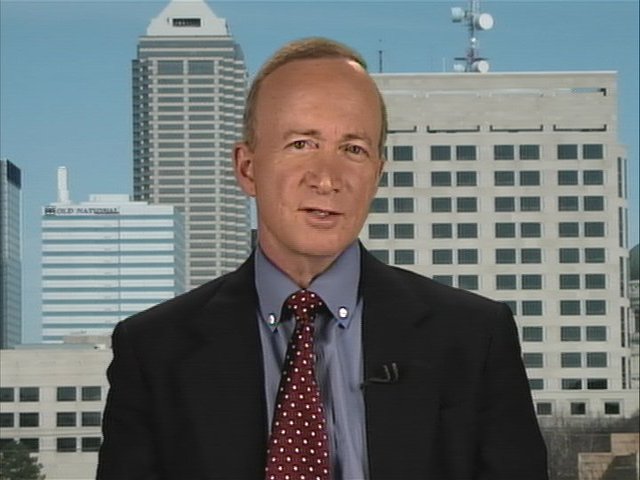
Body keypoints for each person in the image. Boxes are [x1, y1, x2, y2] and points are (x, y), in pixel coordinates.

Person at [97, 37, 548, 480]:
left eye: (353, 150)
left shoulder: (475, 339)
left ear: (376, 174)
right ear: (247, 168)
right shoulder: (154, 351)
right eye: (301, 144)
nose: (328, 179)